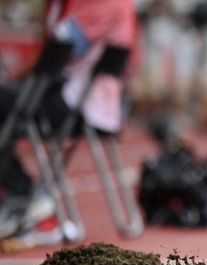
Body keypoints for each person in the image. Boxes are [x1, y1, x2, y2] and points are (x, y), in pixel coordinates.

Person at [0, 0, 137, 250]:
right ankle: (25, 198)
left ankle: (25, 197)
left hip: (77, 105)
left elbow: (57, 52)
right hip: (89, 101)